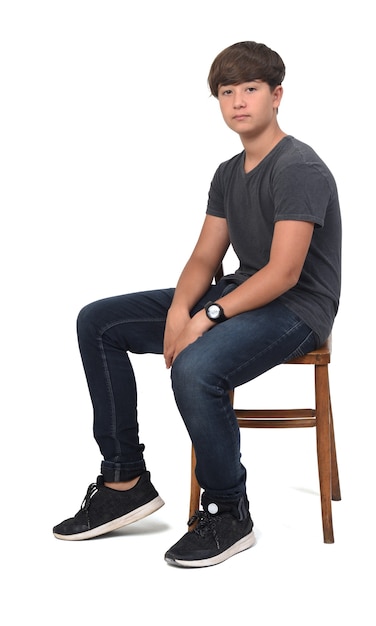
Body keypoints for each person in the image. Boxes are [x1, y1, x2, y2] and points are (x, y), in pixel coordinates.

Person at [53, 41, 341, 568]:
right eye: (226, 92)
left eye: (250, 89)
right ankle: (124, 481)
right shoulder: (229, 172)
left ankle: (228, 512)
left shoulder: (299, 167)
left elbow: (284, 273)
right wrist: (177, 312)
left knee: (196, 368)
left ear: (276, 96)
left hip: (296, 309)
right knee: (99, 322)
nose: (237, 101)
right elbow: (206, 255)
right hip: (241, 293)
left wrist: (207, 318)